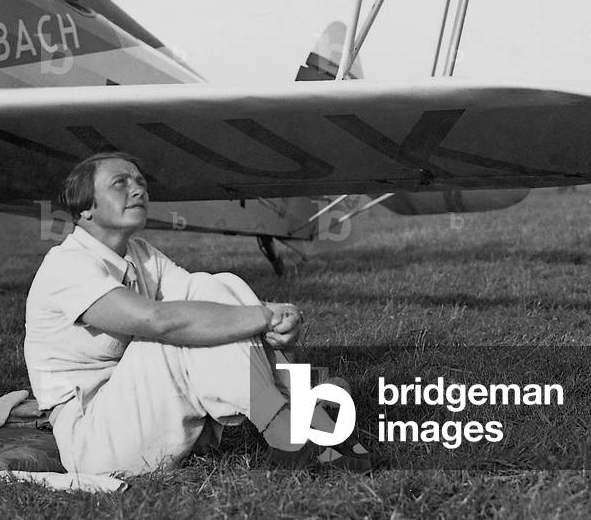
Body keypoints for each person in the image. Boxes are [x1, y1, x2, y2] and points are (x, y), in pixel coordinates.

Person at [23, 151, 373, 476]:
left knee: (219, 283)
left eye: (141, 182)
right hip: (96, 442)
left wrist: (276, 317)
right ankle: (292, 426)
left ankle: (304, 421)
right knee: (179, 326)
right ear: (85, 207)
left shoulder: (140, 253)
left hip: (146, 413)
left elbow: (207, 297)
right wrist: (262, 318)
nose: (138, 190)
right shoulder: (66, 265)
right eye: (121, 183)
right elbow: (156, 321)